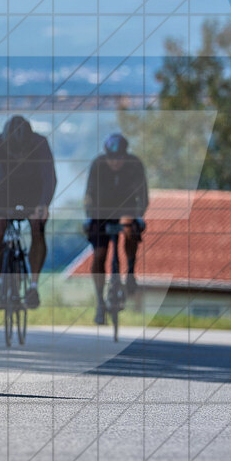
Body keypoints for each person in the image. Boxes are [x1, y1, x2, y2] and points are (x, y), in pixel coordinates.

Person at [0, 115, 56, 310]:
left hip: (33, 191)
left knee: (37, 228)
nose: (19, 153)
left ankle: (33, 286)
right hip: (5, 191)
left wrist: (43, 204)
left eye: (23, 149)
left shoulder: (40, 143)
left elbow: (50, 178)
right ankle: (2, 281)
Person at [82, 132, 148, 324]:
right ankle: (100, 302)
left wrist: (138, 214)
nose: (115, 163)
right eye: (111, 158)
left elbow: (143, 195)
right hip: (101, 212)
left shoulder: (134, 165)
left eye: (119, 158)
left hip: (127, 209)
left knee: (130, 229)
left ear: (125, 155)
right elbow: (89, 196)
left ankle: (130, 272)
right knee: (99, 255)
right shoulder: (98, 165)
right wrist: (91, 217)